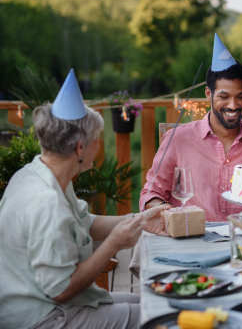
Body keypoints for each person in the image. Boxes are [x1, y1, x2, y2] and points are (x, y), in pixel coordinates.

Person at [0, 70, 170, 329]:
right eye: (96, 141)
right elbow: (62, 290)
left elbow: (85, 222)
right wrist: (113, 245)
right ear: (80, 147)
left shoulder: (40, 173)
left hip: (51, 301)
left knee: (144, 300)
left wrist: (139, 220)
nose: (98, 147)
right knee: (161, 315)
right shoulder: (45, 201)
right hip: (41, 316)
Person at [141, 34, 242, 221]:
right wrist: (172, 215)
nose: (233, 105)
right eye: (223, 97)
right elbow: (150, 195)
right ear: (208, 94)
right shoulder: (178, 140)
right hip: (193, 240)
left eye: (240, 96)